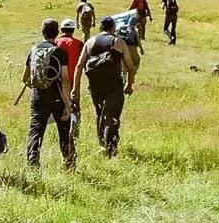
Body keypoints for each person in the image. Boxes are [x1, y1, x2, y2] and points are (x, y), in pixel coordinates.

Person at [73, 16, 138, 158]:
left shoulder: (90, 42)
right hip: (113, 84)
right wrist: (129, 84)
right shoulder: (118, 42)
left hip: (95, 85)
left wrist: (75, 88)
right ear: (113, 28)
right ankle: (111, 149)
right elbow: (130, 66)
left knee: (100, 113)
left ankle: (102, 144)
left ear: (101, 28)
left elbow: (79, 66)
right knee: (112, 116)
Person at [22, 19, 74, 169]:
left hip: (38, 96)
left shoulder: (33, 50)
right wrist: (68, 103)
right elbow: (64, 78)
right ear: (57, 33)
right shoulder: (59, 52)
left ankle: (32, 163)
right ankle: (69, 162)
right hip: (57, 95)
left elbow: (24, 78)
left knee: (35, 130)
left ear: (42, 32)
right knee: (64, 129)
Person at [56, 18, 85, 150]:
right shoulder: (79, 43)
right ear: (73, 30)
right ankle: (75, 131)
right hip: (73, 81)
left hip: (57, 81)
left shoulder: (55, 42)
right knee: (74, 106)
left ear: (61, 30)